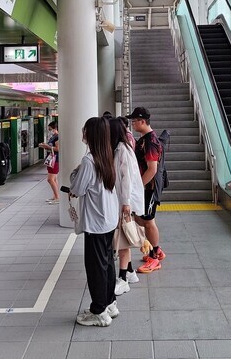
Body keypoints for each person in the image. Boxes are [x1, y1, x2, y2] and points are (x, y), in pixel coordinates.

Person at [70, 116, 119, 327]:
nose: (82, 133)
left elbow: (77, 189)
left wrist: (75, 174)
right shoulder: (107, 155)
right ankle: (109, 303)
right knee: (107, 263)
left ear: (91, 135)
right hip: (108, 219)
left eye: (85, 130)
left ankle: (98, 311)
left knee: (95, 267)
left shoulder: (89, 161)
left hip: (96, 223)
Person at [127, 107, 165, 273]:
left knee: (148, 221)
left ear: (142, 121)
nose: (132, 124)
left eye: (134, 121)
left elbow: (152, 169)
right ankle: (156, 250)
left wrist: (138, 186)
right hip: (144, 187)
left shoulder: (150, 141)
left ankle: (154, 257)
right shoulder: (143, 138)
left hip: (149, 187)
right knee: (141, 219)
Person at [109, 117, 144, 295]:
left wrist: (126, 203)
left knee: (122, 240)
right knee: (124, 237)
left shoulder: (122, 149)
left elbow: (126, 178)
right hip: (123, 200)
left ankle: (122, 278)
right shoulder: (119, 148)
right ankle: (130, 272)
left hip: (125, 201)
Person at [39, 120, 60, 204]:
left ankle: (57, 197)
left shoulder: (57, 136)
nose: (50, 131)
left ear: (55, 128)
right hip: (52, 159)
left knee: (50, 179)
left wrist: (46, 146)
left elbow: (58, 149)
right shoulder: (54, 136)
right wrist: (46, 146)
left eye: (51, 129)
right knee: (54, 179)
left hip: (55, 160)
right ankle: (56, 196)